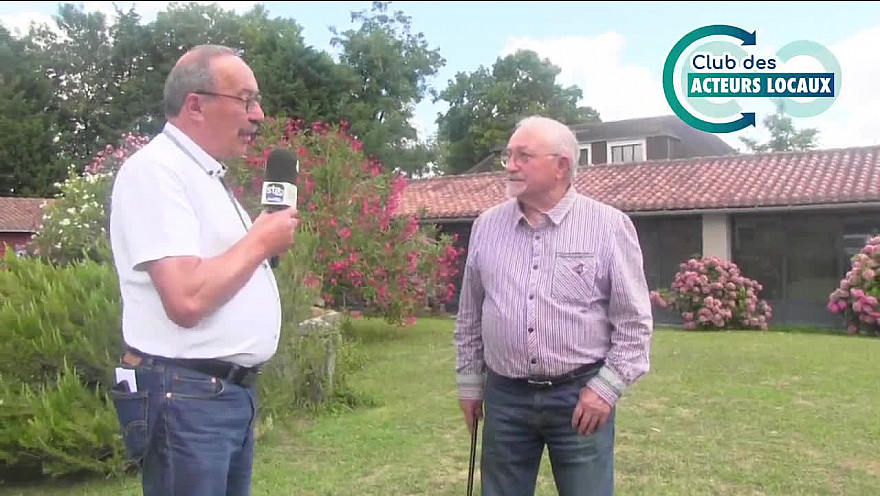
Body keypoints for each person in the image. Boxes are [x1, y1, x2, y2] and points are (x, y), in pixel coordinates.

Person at [107, 45, 298, 496]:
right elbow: (186, 299)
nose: (260, 115)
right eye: (246, 100)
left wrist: (260, 245)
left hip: (220, 398)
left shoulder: (204, 177)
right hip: (188, 399)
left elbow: (215, 273)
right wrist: (260, 240)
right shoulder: (155, 172)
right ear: (196, 103)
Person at [454, 116, 654, 496]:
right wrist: (469, 385)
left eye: (524, 156)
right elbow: (469, 317)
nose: (511, 165)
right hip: (505, 398)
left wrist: (606, 390)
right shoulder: (485, 226)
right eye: (508, 155)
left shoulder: (609, 226)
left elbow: (634, 325)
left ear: (561, 165)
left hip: (579, 398)